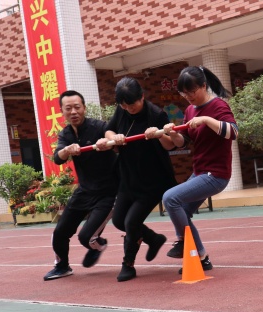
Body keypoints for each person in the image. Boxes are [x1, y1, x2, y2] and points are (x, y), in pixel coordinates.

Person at [161, 66, 238, 273]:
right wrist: (170, 133)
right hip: (200, 172)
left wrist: (205, 120)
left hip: (216, 175)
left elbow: (233, 132)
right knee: (182, 210)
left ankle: (182, 241)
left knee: (170, 198)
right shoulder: (189, 110)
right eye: (184, 93)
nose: (188, 97)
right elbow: (182, 142)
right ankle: (202, 257)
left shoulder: (218, 105)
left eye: (192, 92)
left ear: (204, 86)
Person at [104, 77, 178, 282]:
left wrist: (158, 134)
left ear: (142, 97)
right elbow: (108, 129)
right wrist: (113, 138)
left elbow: (171, 145)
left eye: (132, 104)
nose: (129, 108)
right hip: (128, 177)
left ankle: (128, 264)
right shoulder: (122, 111)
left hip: (152, 181)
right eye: (124, 105)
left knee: (131, 222)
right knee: (119, 220)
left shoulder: (156, 114)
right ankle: (153, 239)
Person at [44, 90, 118, 281]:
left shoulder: (98, 126)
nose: (73, 112)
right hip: (84, 191)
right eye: (68, 108)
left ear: (84, 108)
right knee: (59, 233)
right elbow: (58, 157)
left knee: (87, 237)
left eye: (77, 107)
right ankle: (62, 266)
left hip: (108, 192)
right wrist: (67, 150)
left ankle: (98, 245)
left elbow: (113, 137)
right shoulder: (66, 134)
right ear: (62, 111)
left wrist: (108, 141)